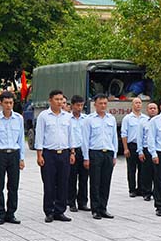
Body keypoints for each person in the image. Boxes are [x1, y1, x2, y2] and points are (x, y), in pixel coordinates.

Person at [35, 90, 74, 223]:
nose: (59, 102)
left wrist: (72, 152)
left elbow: (70, 136)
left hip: (64, 153)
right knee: (49, 183)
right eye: (56, 99)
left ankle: (60, 211)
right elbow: (39, 136)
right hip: (49, 154)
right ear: (50, 100)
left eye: (61, 99)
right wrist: (39, 155)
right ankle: (49, 211)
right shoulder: (44, 116)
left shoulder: (67, 116)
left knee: (63, 183)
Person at [0, 91, 25, 225]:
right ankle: (1, 213)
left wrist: (21, 158)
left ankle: (11, 213)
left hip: (14, 154)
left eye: (11, 103)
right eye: (6, 103)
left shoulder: (19, 118)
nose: (9, 106)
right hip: (0, 154)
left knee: (13, 185)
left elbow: (21, 140)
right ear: (1, 104)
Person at [82, 94, 118, 220]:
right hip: (95, 153)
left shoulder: (111, 119)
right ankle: (95, 209)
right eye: (100, 103)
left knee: (106, 182)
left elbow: (114, 138)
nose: (103, 106)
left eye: (105, 103)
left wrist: (114, 155)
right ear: (95, 104)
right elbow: (85, 140)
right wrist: (86, 157)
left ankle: (103, 208)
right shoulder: (89, 119)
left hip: (108, 153)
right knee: (95, 182)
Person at [67, 95, 90, 212]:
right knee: (71, 178)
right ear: (72, 105)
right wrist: (71, 151)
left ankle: (83, 202)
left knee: (84, 178)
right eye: (77, 105)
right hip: (72, 151)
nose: (80, 108)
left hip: (84, 150)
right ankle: (71, 202)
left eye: (82, 105)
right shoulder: (67, 119)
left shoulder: (86, 119)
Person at [121, 98, 147, 197]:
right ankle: (132, 189)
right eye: (136, 103)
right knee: (131, 169)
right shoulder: (127, 118)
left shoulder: (145, 118)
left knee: (142, 168)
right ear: (132, 105)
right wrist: (125, 148)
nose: (138, 105)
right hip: (131, 145)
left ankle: (141, 188)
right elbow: (124, 134)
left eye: (140, 103)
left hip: (142, 146)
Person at [137, 102, 158, 202]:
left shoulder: (160, 121)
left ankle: (157, 192)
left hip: (158, 149)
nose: (153, 110)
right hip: (146, 149)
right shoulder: (143, 122)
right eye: (150, 108)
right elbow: (139, 137)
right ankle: (147, 192)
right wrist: (140, 151)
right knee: (147, 172)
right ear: (147, 110)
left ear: (158, 110)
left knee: (158, 173)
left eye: (154, 108)